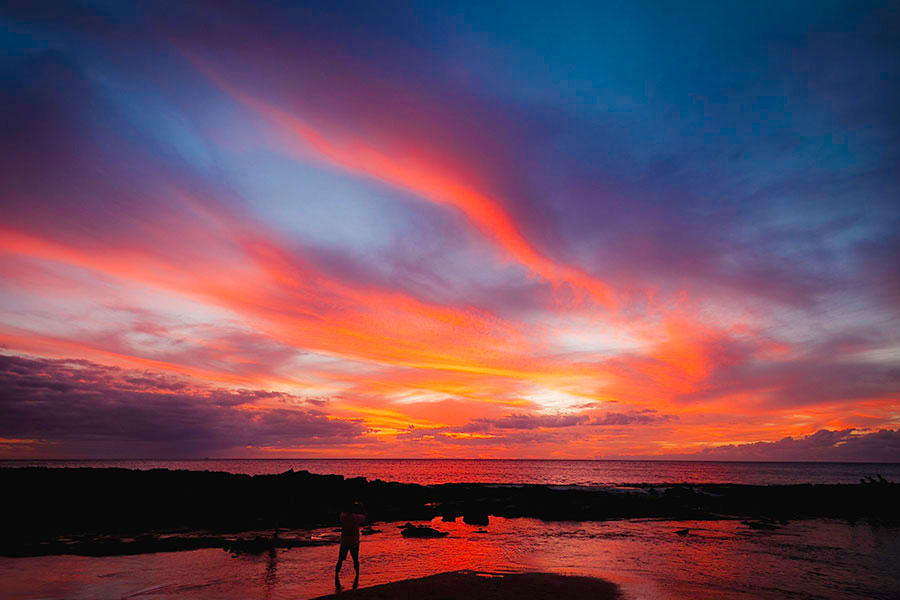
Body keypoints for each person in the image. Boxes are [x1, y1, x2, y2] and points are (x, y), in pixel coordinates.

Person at [335, 499, 366, 589]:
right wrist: (361, 506)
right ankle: (357, 576)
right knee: (355, 560)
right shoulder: (356, 517)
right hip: (354, 541)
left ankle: (336, 576)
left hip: (344, 541)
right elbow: (365, 516)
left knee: (340, 559)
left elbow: (342, 512)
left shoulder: (343, 516)